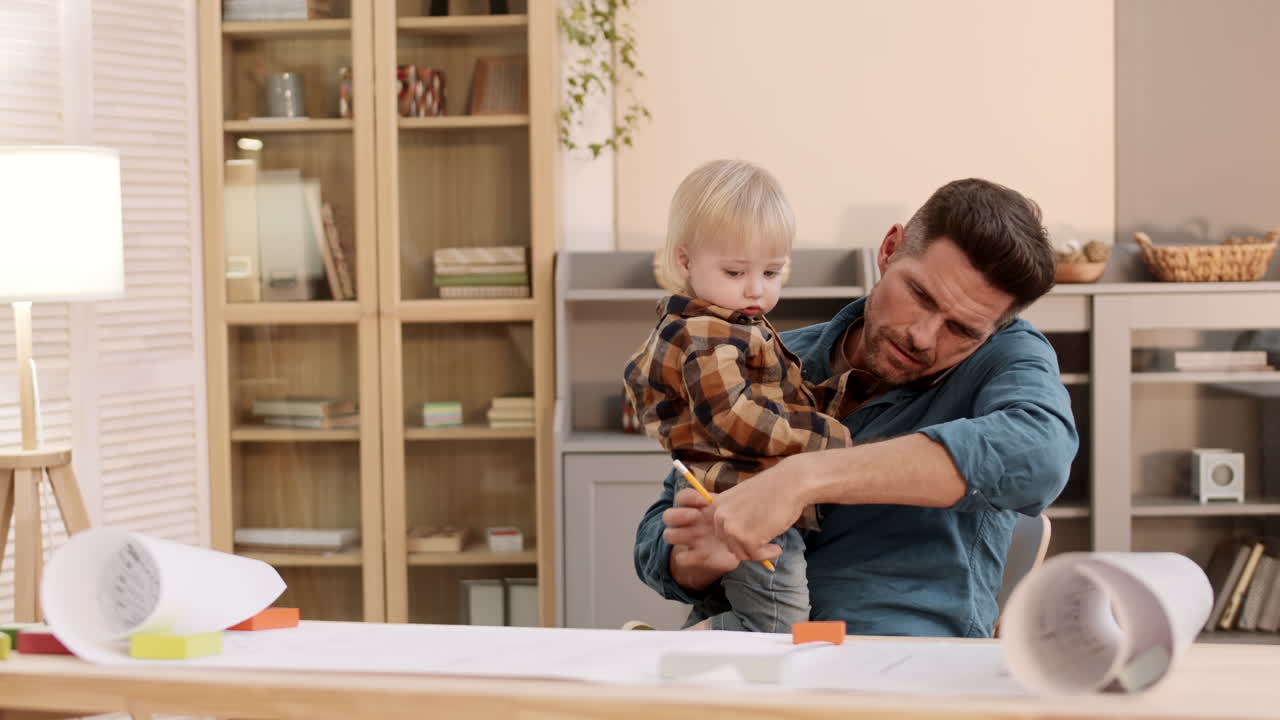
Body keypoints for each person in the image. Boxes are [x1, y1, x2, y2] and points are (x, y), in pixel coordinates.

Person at [633, 177, 1079, 637]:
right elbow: (656, 533)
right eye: (920, 296)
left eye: (962, 330)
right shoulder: (769, 354)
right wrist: (692, 560)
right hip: (751, 658)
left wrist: (803, 479)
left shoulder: (1005, 356)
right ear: (889, 250)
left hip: (890, 665)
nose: (923, 336)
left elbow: (1040, 455)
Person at [622, 159, 867, 632]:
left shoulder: (737, 322)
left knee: (776, 612)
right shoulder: (706, 334)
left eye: (773, 272)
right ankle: (690, 644)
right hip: (740, 493)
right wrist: (827, 440)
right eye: (736, 272)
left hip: (744, 487)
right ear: (685, 261)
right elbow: (732, 417)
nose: (757, 288)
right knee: (776, 625)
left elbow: (783, 395)